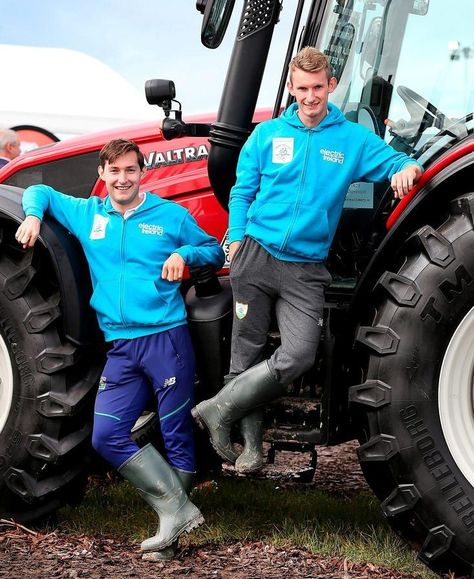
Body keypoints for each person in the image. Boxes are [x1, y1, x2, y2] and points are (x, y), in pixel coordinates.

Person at [192, 46, 423, 473]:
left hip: (306, 267)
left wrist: (406, 166)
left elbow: (395, 160)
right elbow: (242, 191)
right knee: (245, 352)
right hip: (256, 255)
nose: (311, 96)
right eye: (303, 88)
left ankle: (217, 409)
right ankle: (252, 448)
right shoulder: (266, 136)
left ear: (331, 86)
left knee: (298, 353)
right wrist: (237, 239)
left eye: (318, 87)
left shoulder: (351, 140)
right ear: (292, 88)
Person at [15, 138, 225, 560]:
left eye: (130, 170)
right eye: (114, 171)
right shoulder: (88, 213)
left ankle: (170, 532)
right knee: (107, 436)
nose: (123, 179)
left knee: (175, 433)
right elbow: (35, 189)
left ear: (141, 172)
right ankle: (177, 508)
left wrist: (184, 254)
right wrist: (34, 218)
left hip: (166, 338)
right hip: (121, 347)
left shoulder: (168, 215)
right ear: (102, 174)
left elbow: (213, 249)